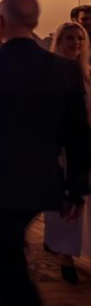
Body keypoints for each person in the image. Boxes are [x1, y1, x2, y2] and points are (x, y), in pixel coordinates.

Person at [0, 0, 89, 305]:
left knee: (5, 256)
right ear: (36, 24)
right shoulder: (64, 70)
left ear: (0, 22)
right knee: (6, 252)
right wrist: (76, 191)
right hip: (39, 177)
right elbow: (77, 135)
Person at [43, 21, 91, 284]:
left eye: (80, 39)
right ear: (60, 41)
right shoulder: (52, 73)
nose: (76, 43)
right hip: (62, 146)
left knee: (84, 199)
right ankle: (65, 255)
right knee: (63, 199)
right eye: (70, 38)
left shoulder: (87, 73)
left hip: (85, 144)